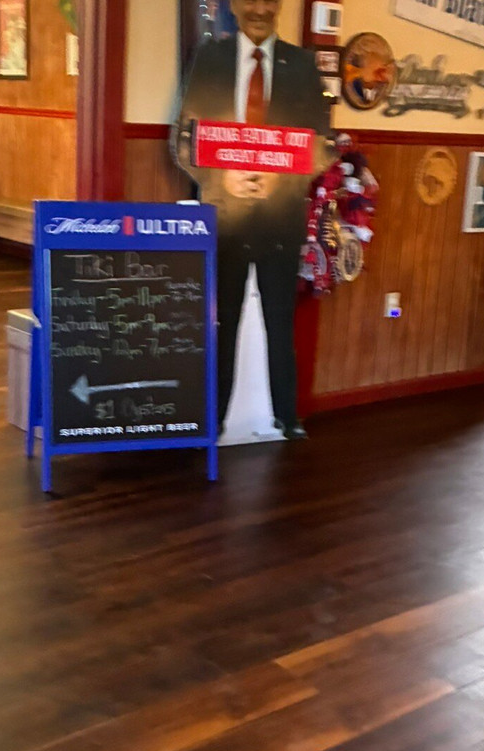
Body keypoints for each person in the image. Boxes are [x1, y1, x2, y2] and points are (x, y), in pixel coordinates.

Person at [172, 0, 331, 440]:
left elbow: (323, 143)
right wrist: (220, 178)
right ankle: (212, 421)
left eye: (268, 0)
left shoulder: (303, 65)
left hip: (281, 216)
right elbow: (183, 140)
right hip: (225, 217)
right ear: (235, 5)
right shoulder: (211, 58)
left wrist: (282, 177)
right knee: (220, 322)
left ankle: (288, 418)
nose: (259, 8)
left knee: (281, 321)